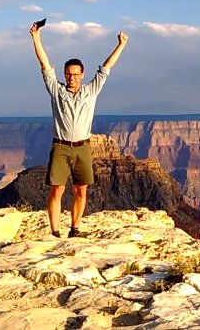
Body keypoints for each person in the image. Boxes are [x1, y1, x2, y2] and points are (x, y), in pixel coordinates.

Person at [30, 22, 128, 237]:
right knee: (57, 189)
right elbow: (45, 65)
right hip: (61, 147)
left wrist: (120, 45)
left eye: (75, 74)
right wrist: (36, 38)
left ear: (82, 74)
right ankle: (55, 232)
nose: (71, 77)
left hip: (83, 147)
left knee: (81, 189)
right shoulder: (56, 91)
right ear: (65, 75)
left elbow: (106, 68)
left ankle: (75, 229)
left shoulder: (91, 91)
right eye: (68, 74)